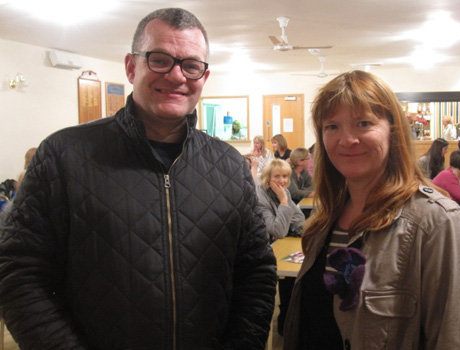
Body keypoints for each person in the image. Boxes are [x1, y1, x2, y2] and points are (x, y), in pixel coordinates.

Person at [0, 8, 277, 350]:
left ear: (204, 77)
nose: (177, 76)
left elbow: (255, 272)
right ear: (132, 67)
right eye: (160, 59)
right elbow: (18, 273)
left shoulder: (229, 166)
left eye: (191, 65)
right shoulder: (63, 155)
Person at [284, 71, 460, 350]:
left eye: (363, 123)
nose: (346, 139)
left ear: (393, 131)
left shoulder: (438, 224)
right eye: (332, 127)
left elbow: (459, 337)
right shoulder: (325, 220)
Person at [256, 159, 305, 337]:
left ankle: (287, 322)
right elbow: (278, 230)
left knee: (294, 279)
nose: (282, 181)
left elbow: (299, 219)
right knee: (285, 279)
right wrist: (284, 202)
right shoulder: (261, 197)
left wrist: (285, 221)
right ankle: (282, 323)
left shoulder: (283, 192)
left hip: (277, 245)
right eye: (277, 176)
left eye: (285, 176)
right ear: (268, 178)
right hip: (260, 252)